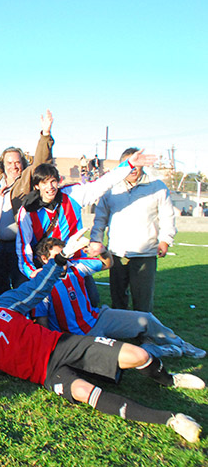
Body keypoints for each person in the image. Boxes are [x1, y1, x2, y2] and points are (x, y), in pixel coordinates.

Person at [0, 241, 205, 444]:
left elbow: (38, 285)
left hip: (63, 345)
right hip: (46, 374)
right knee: (86, 392)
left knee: (138, 355)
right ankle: (171, 419)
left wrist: (59, 261)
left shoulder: (4, 305)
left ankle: (169, 379)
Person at [33, 237, 204, 359]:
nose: (64, 260)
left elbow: (108, 263)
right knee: (121, 356)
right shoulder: (41, 284)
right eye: (58, 256)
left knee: (146, 319)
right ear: (44, 259)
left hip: (98, 317)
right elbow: (42, 322)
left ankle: (180, 344)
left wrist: (104, 251)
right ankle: (155, 350)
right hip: (79, 336)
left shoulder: (76, 267)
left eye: (65, 254)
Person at [16, 150, 157, 281]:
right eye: (44, 183)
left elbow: (103, 183)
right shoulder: (28, 211)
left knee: (90, 300)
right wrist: (32, 272)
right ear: (37, 186)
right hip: (46, 266)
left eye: (53, 181)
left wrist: (129, 165)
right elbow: (23, 245)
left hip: (75, 264)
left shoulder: (73, 194)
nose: (50, 187)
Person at [89, 148, 177, 312]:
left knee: (142, 301)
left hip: (145, 254)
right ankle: (121, 332)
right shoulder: (111, 189)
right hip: (117, 253)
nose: (134, 168)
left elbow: (167, 216)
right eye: (130, 164)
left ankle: (144, 333)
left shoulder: (156, 186)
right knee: (118, 299)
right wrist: (96, 240)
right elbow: (100, 218)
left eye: (138, 164)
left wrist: (165, 240)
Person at [0, 110, 54, 297]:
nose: (14, 166)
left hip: (18, 246)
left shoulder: (26, 179)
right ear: (3, 165)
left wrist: (45, 135)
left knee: (22, 288)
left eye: (17, 162)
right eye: (9, 162)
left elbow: (41, 163)